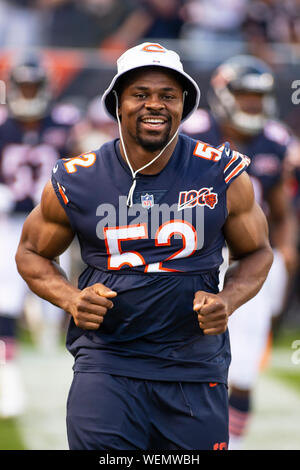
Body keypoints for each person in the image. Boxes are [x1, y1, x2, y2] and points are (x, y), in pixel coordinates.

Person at [15, 42, 273, 450]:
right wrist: (69, 298)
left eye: (167, 96)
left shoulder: (221, 171)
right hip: (107, 364)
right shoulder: (78, 178)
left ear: (183, 104)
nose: (155, 105)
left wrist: (229, 299)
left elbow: (258, 251)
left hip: (193, 365)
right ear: (117, 103)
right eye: (140, 94)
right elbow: (30, 252)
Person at [181, 54, 298, 450]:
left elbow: (282, 209)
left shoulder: (276, 141)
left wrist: (285, 249)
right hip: (197, 257)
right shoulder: (193, 133)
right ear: (223, 94)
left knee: (244, 363)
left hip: (252, 259)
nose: (252, 104)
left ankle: (233, 443)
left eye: (258, 96)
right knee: (185, 354)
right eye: (244, 95)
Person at [0, 53, 78, 417]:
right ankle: (7, 372)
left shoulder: (63, 122)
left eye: (35, 87)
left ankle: (51, 336)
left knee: (57, 291)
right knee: (5, 296)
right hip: (8, 222)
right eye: (24, 87)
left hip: (54, 219)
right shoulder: (3, 123)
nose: (29, 94)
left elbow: (81, 165)